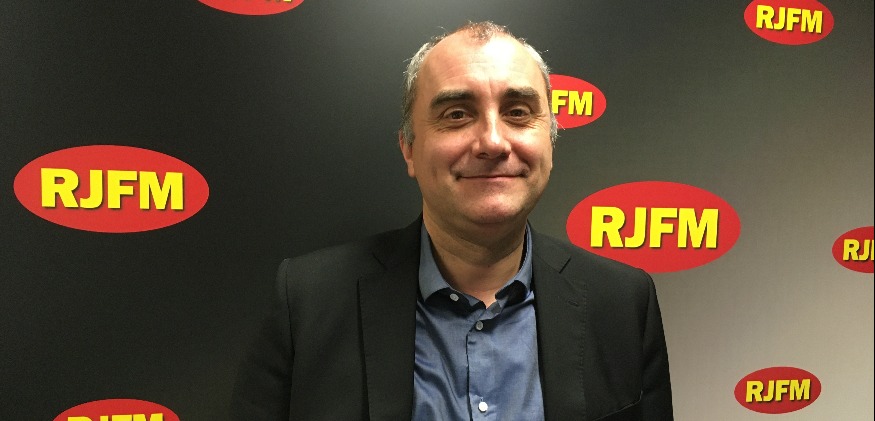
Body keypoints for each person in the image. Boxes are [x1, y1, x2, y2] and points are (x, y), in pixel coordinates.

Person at [230, 21, 673, 421]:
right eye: (457, 114)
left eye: (518, 112)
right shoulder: (308, 303)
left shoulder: (623, 305)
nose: (493, 142)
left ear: (551, 142)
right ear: (409, 149)